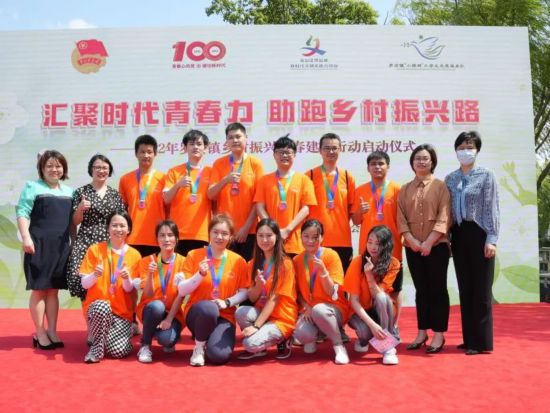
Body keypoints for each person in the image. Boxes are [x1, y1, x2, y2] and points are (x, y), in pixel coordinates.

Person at [445, 131, 499, 355]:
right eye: (461, 147)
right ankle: (469, 339)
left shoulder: (486, 175)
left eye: (470, 147)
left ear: (477, 150)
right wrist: (447, 238)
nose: (465, 151)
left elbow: (492, 208)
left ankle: (481, 341)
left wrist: (492, 238)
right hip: (458, 234)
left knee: (481, 289)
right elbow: (448, 211)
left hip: (479, 233)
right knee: (465, 288)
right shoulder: (450, 178)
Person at [16, 150, 73, 350]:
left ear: (64, 168)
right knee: (39, 290)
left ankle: (52, 331)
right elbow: (22, 213)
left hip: (60, 247)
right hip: (38, 245)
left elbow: (72, 222)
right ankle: (40, 332)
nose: (54, 169)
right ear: (41, 168)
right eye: (49, 165)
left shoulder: (70, 192)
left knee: (53, 291)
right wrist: (26, 237)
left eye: (58, 166)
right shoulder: (32, 187)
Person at [397, 144, 451, 354]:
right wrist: (411, 240)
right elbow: (401, 218)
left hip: (437, 247)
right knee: (421, 290)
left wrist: (429, 242)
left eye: (425, 158)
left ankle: (438, 334)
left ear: (432, 162)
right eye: (417, 158)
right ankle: (422, 332)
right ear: (412, 163)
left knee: (438, 290)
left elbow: (445, 216)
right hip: (412, 247)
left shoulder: (440, 186)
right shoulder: (404, 189)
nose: (421, 161)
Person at [176, 214, 249, 366]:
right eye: (215, 232)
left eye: (224, 233)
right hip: (198, 313)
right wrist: (199, 274)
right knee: (209, 308)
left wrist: (227, 302)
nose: (219, 237)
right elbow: (182, 290)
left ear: (230, 237)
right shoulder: (194, 255)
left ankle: (207, 338)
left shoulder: (238, 261)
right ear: (209, 233)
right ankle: (199, 346)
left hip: (224, 315)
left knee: (219, 356)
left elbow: (244, 292)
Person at [79, 210, 141, 363]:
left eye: (122, 226)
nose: (118, 229)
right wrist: (94, 275)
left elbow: (130, 289)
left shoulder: (134, 255)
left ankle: (107, 335)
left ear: (128, 229)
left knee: (119, 352)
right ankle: (96, 349)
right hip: (98, 308)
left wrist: (126, 279)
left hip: (121, 313)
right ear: (108, 228)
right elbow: (84, 284)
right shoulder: (95, 250)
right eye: (114, 225)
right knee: (101, 307)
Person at [352, 151, 403, 333]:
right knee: (369, 289)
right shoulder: (360, 190)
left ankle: (393, 325)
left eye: (381, 163)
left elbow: (402, 219)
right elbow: (355, 221)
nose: (377, 167)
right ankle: (373, 326)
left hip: (392, 250)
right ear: (368, 168)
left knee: (394, 290)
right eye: (373, 164)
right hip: (368, 252)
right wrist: (360, 211)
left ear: (388, 167)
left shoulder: (397, 189)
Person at [235, 218, 297, 360]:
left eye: (269, 235)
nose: (264, 240)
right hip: (263, 313)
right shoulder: (252, 264)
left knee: (249, 344)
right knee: (241, 312)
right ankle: (261, 348)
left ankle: (283, 339)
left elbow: (274, 299)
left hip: (281, 317)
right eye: (260, 235)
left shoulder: (285, 264)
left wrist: (256, 326)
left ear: (277, 237)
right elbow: (252, 298)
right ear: (256, 237)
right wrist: (258, 285)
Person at [67, 154, 125, 302]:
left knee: (108, 277)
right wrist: (80, 208)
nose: (101, 171)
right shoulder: (81, 192)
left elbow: (121, 219)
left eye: (105, 168)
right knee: (83, 278)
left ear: (109, 171)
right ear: (91, 170)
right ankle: (88, 313)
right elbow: (74, 221)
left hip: (109, 240)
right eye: (97, 167)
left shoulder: (115, 194)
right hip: (86, 239)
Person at [292, 219, 350, 365]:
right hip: (310, 310)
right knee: (301, 333)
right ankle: (319, 333)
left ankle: (339, 346)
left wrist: (323, 272)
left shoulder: (331, 256)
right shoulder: (297, 260)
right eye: (306, 236)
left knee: (320, 310)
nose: (310, 241)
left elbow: (332, 292)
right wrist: (306, 306)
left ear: (322, 237)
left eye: (315, 237)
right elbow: (297, 292)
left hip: (333, 309)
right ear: (300, 236)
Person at [344, 225, 401, 365]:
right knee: (365, 333)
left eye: (378, 243)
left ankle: (387, 348)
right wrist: (372, 325)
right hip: (359, 311)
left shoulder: (393, 263)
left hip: (381, 308)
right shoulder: (357, 262)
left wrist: (369, 275)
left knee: (382, 297)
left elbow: (379, 295)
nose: (373, 247)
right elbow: (354, 301)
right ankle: (364, 340)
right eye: (370, 242)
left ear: (386, 245)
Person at [208, 122, 265, 261]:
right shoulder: (218, 164)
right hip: (225, 231)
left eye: (238, 136)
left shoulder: (256, 164)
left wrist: (246, 228)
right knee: (225, 269)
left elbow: (258, 200)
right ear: (226, 141)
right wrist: (225, 180)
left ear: (246, 138)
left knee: (248, 268)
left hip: (249, 231)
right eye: (231, 137)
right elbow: (211, 194)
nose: (235, 140)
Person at [254, 135, 317, 258]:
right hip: (270, 241)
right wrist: (273, 230)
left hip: (295, 242)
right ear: (274, 155)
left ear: (294, 155)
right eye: (280, 152)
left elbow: (306, 209)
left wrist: (288, 230)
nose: (284, 155)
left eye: (288, 152)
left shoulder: (304, 180)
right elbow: (259, 207)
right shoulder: (264, 180)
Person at [135, 220, 186, 363]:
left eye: (170, 235)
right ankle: (145, 344)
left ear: (176, 239)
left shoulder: (184, 262)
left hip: (173, 312)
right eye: (162, 235)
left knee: (167, 340)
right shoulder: (147, 261)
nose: (166, 239)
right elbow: (148, 295)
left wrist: (169, 319)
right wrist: (150, 274)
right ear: (157, 239)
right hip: (151, 309)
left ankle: (163, 332)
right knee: (157, 306)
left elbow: (182, 295)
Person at [307, 133, 355, 272]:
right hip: (316, 241)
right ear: (320, 150)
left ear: (340, 149)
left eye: (334, 148)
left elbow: (351, 210)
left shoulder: (348, 176)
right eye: (327, 148)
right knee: (315, 281)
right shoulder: (309, 176)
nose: (331, 152)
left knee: (341, 282)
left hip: (342, 241)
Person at [164, 130, 213, 256]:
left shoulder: (211, 172)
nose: (195, 147)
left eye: (199, 144)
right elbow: (166, 199)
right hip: (178, 233)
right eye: (191, 144)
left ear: (205, 148)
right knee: (178, 268)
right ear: (185, 148)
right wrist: (178, 185)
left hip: (202, 233)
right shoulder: (174, 171)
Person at [119, 135, 166, 257]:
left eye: (149, 152)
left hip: (156, 238)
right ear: (136, 154)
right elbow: (122, 211)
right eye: (142, 152)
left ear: (155, 154)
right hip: (131, 238)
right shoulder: (125, 179)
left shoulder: (164, 179)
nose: (146, 155)